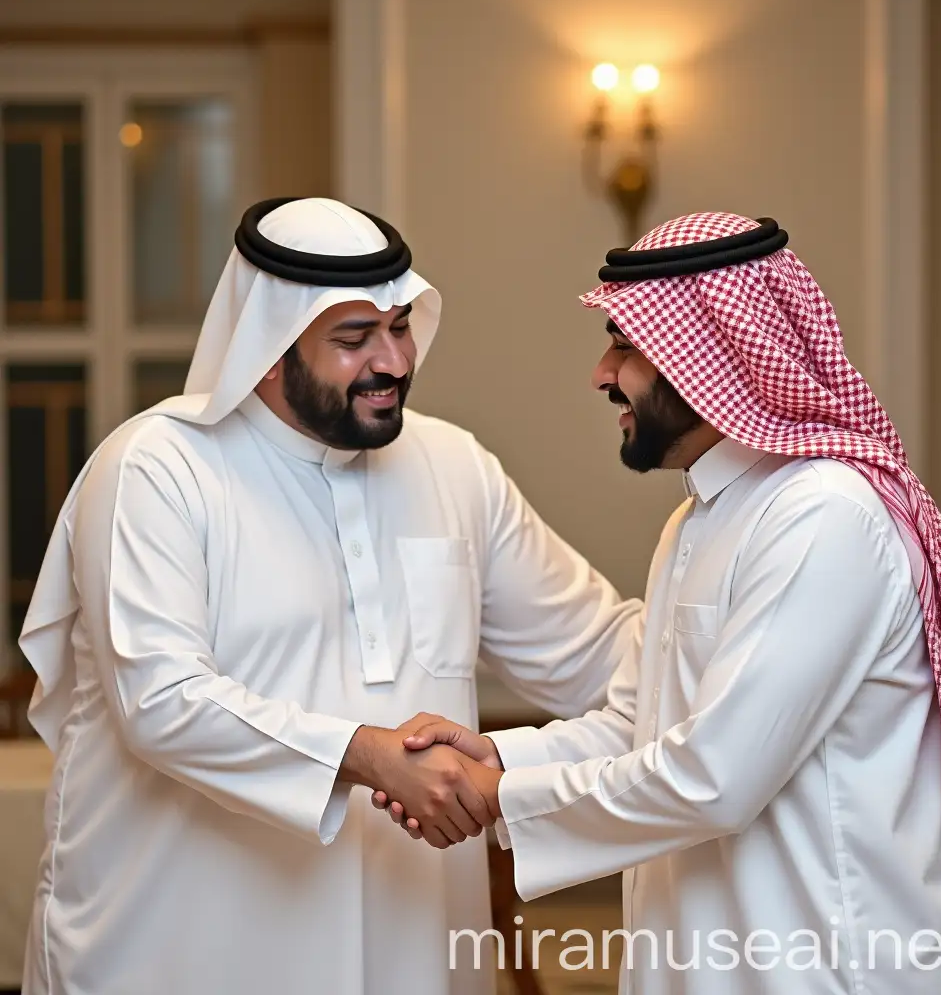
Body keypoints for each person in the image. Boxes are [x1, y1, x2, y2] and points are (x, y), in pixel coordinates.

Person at [16, 197, 642, 995]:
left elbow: (600, 654)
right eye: (353, 340)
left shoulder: (455, 467)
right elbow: (163, 702)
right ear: (270, 350)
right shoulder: (157, 469)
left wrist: (747, 646)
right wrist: (370, 756)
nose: (393, 361)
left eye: (401, 326)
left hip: (409, 945)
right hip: (181, 946)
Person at [375, 213, 941, 995]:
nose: (601, 374)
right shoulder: (699, 518)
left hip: (836, 967)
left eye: (626, 347)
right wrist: (496, 757)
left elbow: (716, 777)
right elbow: (637, 723)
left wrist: (496, 797)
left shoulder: (825, 514)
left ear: (708, 359)